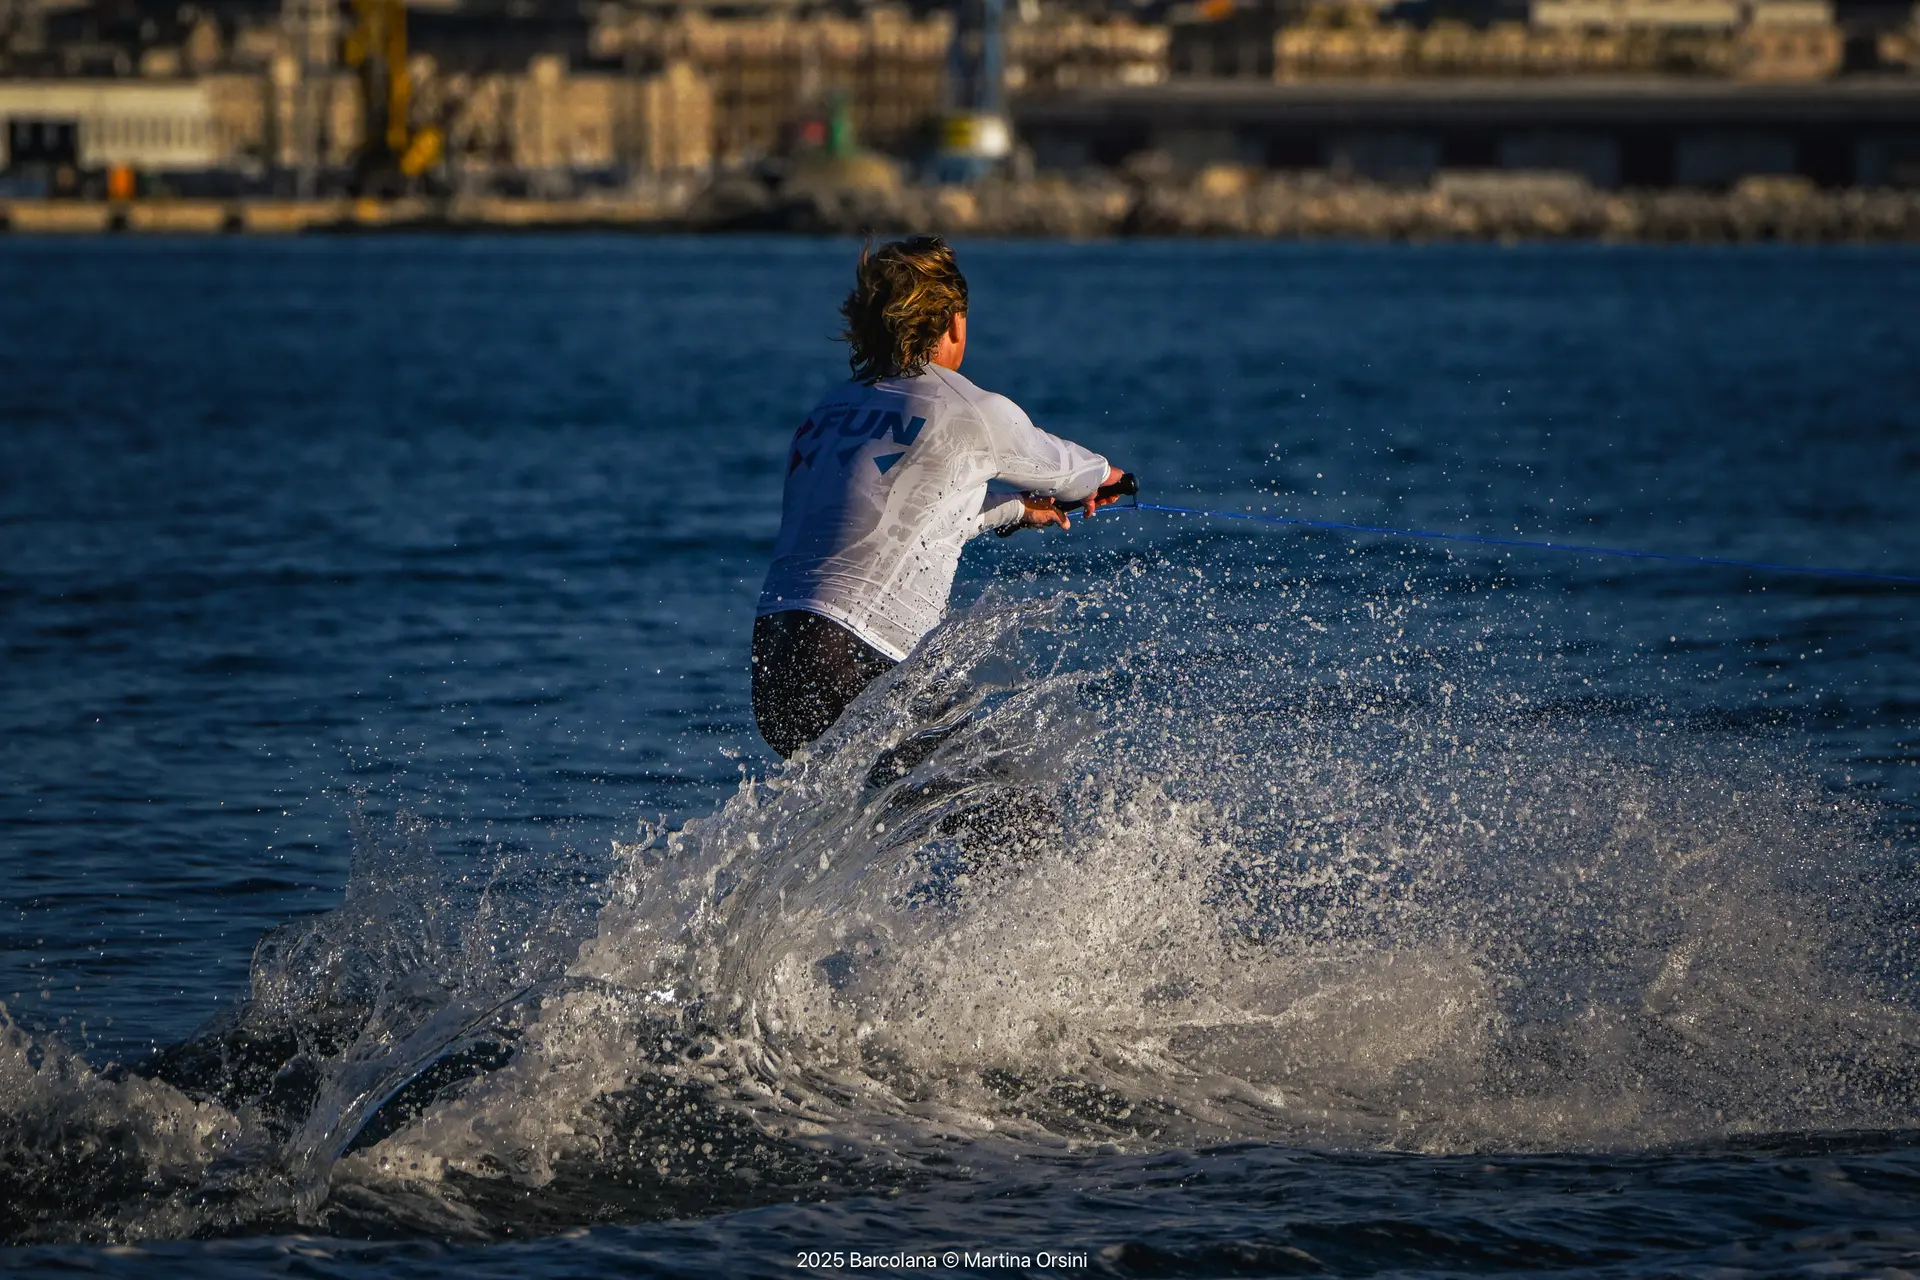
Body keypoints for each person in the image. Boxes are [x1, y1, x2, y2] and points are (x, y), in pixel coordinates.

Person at [753, 235, 1127, 758]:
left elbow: (914, 514)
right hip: (855, 655)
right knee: (1006, 796)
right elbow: (1066, 471)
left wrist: (1016, 509)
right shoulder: (971, 408)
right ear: (954, 322)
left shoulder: (827, 413)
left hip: (774, 668)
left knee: (897, 800)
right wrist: (1111, 475)